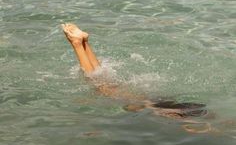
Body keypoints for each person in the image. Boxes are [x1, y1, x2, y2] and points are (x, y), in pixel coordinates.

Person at [61, 23, 211, 133]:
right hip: (146, 103)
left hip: (154, 100)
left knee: (104, 79)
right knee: (100, 86)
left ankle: (84, 42)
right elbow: (191, 126)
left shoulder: (195, 114)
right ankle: (77, 44)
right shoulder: (177, 117)